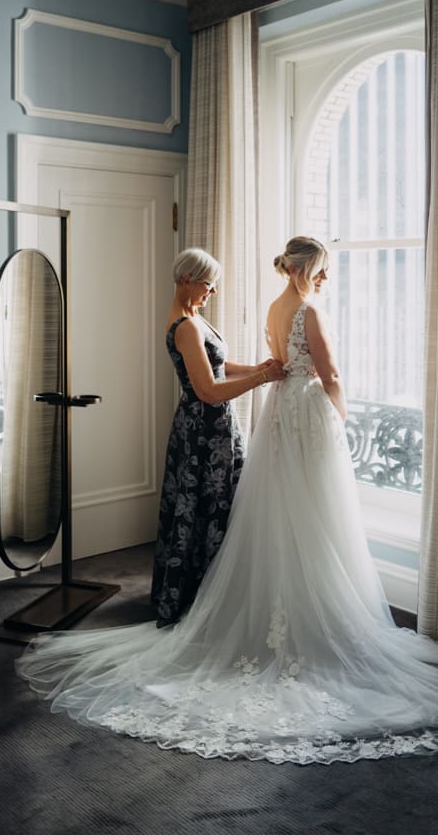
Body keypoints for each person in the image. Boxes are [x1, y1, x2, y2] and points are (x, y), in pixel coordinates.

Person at [16, 236, 438, 765]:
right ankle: (235, 609)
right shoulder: (270, 315)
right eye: (322, 270)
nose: (210, 291)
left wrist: (260, 372)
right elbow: (321, 376)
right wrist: (335, 416)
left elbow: (252, 365)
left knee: (261, 514)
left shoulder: (272, 309)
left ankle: (218, 601)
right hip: (258, 421)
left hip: (276, 413)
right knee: (272, 515)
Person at [151, 247, 284, 627]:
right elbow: (208, 389)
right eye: (208, 285)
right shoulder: (186, 326)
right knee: (206, 508)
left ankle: (214, 590)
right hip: (203, 433)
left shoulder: (194, 317)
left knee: (214, 505)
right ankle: (202, 598)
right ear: (187, 279)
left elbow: (218, 365)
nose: (212, 293)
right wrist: (261, 379)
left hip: (213, 427)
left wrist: (255, 367)